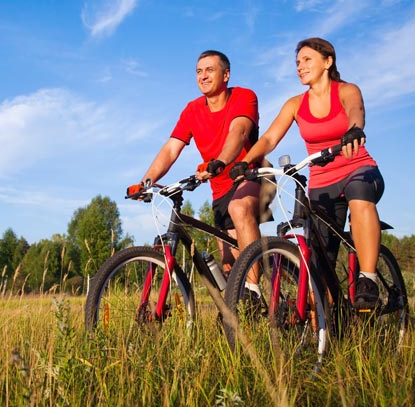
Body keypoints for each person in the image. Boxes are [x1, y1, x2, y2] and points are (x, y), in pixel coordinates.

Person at [230, 37, 384, 309]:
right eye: (297, 62)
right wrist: (247, 161)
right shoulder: (294, 104)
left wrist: (354, 130)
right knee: (319, 268)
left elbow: (356, 111)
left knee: (359, 197)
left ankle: (368, 278)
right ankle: (331, 325)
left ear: (328, 62)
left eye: (307, 60)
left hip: (358, 168)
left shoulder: (346, 90)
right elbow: (268, 139)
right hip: (321, 183)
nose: (300, 67)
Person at [127, 50, 263, 294]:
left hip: (250, 177)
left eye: (210, 70)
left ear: (226, 74)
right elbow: (171, 149)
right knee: (230, 267)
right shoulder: (192, 110)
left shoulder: (244, 97)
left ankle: (254, 291)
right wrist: (146, 181)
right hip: (219, 188)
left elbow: (239, 132)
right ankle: (244, 307)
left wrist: (220, 161)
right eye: (199, 71)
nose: (203, 76)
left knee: (239, 209)